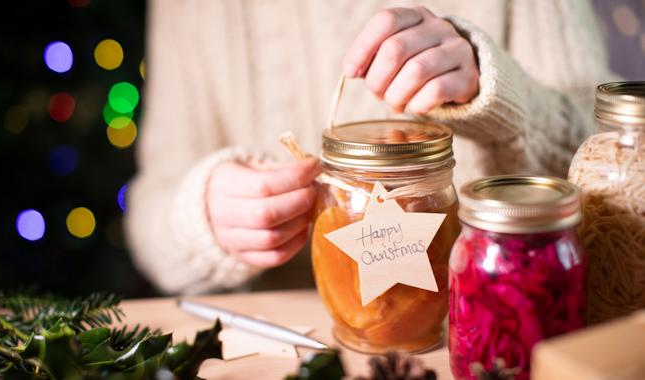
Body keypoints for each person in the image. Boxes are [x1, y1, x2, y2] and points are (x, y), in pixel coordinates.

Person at [126, 0, 616, 294]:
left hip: (504, 328)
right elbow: (150, 209)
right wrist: (202, 216)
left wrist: (499, 95)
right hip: (296, 348)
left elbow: (617, 163)